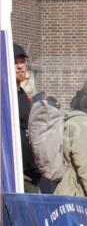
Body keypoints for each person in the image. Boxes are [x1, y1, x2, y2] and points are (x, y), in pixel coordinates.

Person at [14, 43, 41, 192]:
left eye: (22, 62)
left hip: (30, 172)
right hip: (17, 176)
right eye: (15, 62)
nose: (20, 66)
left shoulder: (22, 93)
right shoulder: (5, 95)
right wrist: (13, 172)